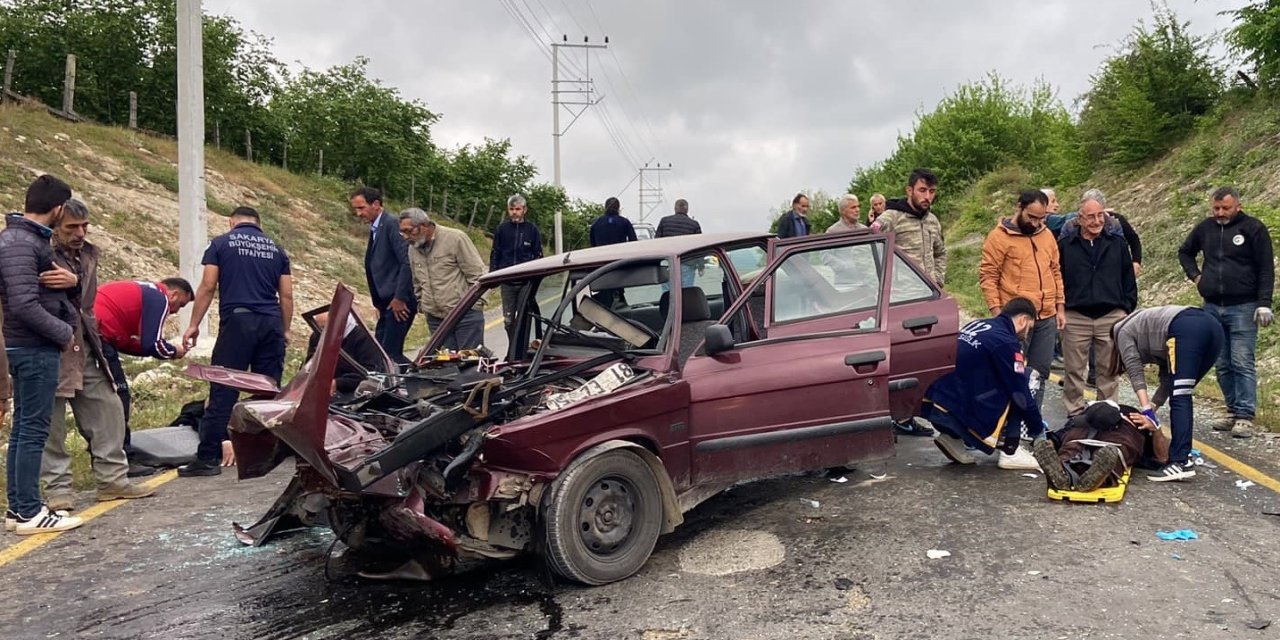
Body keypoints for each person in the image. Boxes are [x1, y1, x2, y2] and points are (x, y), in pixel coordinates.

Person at [39, 199, 155, 510]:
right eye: (71, 227)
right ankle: (58, 491)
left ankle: (113, 480)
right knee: (52, 423)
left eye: (84, 226)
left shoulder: (89, 254)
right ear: (55, 228)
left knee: (108, 410)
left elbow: (86, 303)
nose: (80, 233)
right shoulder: (40, 253)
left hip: (86, 343)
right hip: (50, 345)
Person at [179, 206, 293, 477]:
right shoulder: (276, 250)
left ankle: (208, 458)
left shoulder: (220, 243)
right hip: (270, 323)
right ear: (259, 224)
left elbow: (207, 286)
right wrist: (285, 329)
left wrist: (194, 324)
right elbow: (286, 295)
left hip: (238, 323)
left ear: (232, 223)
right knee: (269, 391)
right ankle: (267, 455)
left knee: (224, 388)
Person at [1, 174, 82, 534]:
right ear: (58, 207)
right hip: (33, 348)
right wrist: (63, 332)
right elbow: (21, 303)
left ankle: (19, 509)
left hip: (30, 346)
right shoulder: (21, 242)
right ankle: (32, 511)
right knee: (33, 430)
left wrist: (71, 283)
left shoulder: (24, 239)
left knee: (24, 430)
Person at [1177, 186, 1274, 439]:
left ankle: (1245, 415)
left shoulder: (1253, 229)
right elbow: (1185, 252)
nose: (1220, 213)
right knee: (1221, 363)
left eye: (1225, 208)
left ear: (1238, 206)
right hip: (1211, 306)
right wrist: (1196, 277)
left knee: (1242, 360)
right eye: (1216, 208)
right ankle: (1232, 409)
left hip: (1244, 305)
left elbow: (1266, 268)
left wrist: (1264, 302)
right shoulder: (1205, 228)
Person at [921, 297, 1045, 470]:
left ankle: (952, 437)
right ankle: (1011, 451)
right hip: (963, 411)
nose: (1028, 334)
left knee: (997, 377)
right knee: (1026, 379)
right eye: (1030, 328)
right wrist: (1038, 430)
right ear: (1023, 320)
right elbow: (1020, 393)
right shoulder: (1006, 342)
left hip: (936, 402)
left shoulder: (978, 324)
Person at [1109, 305, 1224, 482]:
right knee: (1181, 390)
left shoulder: (1121, 332)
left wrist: (1146, 409)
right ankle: (1182, 456)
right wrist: (1153, 406)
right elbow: (1169, 381)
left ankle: (1180, 461)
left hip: (1186, 327)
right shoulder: (1151, 334)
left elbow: (1135, 371)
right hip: (1213, 328)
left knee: (1180, 396)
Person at [979, 189, 1064, 410]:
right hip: (1015, 319)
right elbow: (988, 276)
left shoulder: (1046, 236)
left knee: (1039, 374)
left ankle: (1032, 424)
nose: (1036, 223)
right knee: (1009, 372)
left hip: (1047, 317)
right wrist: (998, 313)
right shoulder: (998, 237)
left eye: (1041, 218)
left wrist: (1060, 307)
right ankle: (1000, 425)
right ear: (1020, 207)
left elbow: (1055, 272)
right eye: (1032, 217)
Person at [95, 277, 193, 467]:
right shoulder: (160, 297)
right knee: (118, 397)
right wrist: (174, 351)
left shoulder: (143, 291)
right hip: (98, 335)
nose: (174, 312)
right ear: (173, 294)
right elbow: (153, 344)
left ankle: (106, 456)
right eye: (179, 305)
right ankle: (122, 459)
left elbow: (126, 343)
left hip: (93, 331)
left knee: (102, 398)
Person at [1057, 191, 1136, 416]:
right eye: (1091, 217)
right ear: (1079, 219)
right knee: (1074, 371)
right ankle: (1075, 415)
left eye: (1100, 215)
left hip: (1111, 315)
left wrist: (1126, 308)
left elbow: (1128, 278)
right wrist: (1060, 308)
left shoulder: (1118, 244)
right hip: (1075, 316)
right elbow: (1057, 277)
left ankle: (1107, 415)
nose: (1097, 221)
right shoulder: (1065, 245)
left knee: (1109, 372)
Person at [1032, 401, 1169, 492]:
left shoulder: (1133, 417)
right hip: (1100, 432)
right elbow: (1161, 457)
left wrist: (1155, 428)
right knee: (1115, 449)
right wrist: (1048, 445)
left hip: (1118, 430)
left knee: (1075, 447)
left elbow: (1162, 457)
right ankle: (1096, 476)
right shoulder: (1081, 419)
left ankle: (1064, 469)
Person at [400, 208, 487, 352]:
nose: (405, 237)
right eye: (402, 232)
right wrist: (423, 305)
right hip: (436, 319)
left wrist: (475, 306)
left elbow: (478, 275)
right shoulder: (412, 249)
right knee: (446, 368)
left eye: (409, 231)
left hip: (465, 315)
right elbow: (417, 281)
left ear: (423, 226)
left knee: (470, 366)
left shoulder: (455, 238)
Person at [352, 187, 416, 364]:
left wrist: (400, 298)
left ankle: (424, 381)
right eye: (356, 209)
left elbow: (407, 261)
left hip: (399, 302)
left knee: (390, 356)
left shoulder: (391, 224)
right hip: (386, 304)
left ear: (376, 204)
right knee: (380, 353)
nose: (358, 213)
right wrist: (379, 304)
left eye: (361, 208)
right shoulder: (377, 227)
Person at [876, 169, 946, 285]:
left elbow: (940, 252)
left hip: (931, 293)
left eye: (932, 191)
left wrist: (938, 279)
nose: (927, 196)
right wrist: (878, 284)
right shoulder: (892, 217)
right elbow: (864, 249)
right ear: (909, 190)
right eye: (922, 190)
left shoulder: (932, 221)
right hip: (902, 296)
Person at [305, 310, 388, 400]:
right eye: (319, 327)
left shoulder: (363, 339)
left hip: (354, 388)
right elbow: (309, 364)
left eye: (326, 327)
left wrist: (337, 383)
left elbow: (369, 374)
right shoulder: (317, 336)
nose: (322, 332)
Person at [490, 194, 543, 335]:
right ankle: (513, 346)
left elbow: (538, 255)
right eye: (511, 209)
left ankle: (521, 349)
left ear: (524, 210)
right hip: (507, 283)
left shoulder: (532, 230)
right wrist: (493, 276)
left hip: (526, 283)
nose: (514, 212)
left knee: (524, 319)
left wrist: (536, 279)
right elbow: (495, 253)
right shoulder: (502, 229)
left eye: (517, 209)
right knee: (508, 320)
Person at [656, 199, 703, 288]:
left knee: (668, 293)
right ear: (687, 209)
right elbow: (699, 247)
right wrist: (701, 265)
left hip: (667, 263)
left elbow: (657, 242)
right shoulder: (694, 224)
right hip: (687, 262)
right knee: (686, 292)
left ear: (675, 208)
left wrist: (656, 263)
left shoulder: (664, 221)